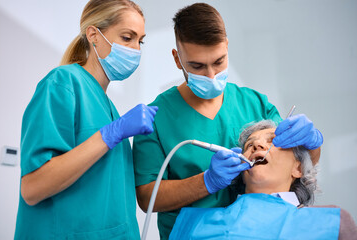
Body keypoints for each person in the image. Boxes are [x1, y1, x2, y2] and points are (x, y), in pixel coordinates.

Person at [132, 3, 323, 239]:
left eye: (219, 62)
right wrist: (208, 181)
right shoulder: (156, 118)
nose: (211, 76)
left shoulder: (255, 104)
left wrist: (313, 142)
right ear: (177, 58)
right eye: (198, 66)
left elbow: (298, 162)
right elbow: (147, 197)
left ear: (227, 47)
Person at [14, 0, 158, 239]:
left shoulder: (109, 107)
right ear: (94, 34)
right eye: (127, 37)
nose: (136, 50)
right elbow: (33, 188)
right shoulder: (62, 83)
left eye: (140, 41)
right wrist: (111, 133)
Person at [169, 120, 357, 240]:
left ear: (298, 168)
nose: (257, 145)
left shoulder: (330, 222)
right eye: (249, 145)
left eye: (273, 141)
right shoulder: (193, 223)